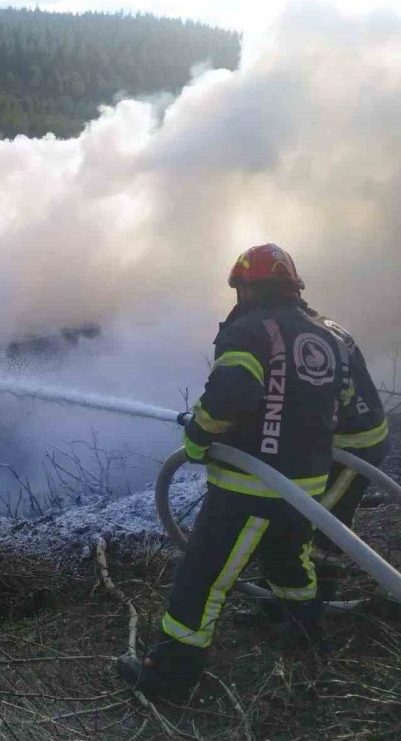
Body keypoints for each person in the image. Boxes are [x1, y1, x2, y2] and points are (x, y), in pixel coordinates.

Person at [117, 244, 353, 700]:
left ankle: (172, 675)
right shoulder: (325, 337)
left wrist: (199, 436)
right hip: (305, 484)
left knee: (203, 575)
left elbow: (232, 392)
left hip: (252, 483)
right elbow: (335, 408)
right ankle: (306, 636)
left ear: (247, 288)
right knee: (288, 559)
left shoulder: (249, 331)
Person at [302, 308, 389, 596]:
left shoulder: (306, 339)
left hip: (356, 445)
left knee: (318, 521)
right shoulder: (323, 324)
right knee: (326, 513)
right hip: (357, 431)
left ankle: (314, 600)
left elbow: (313, 401)